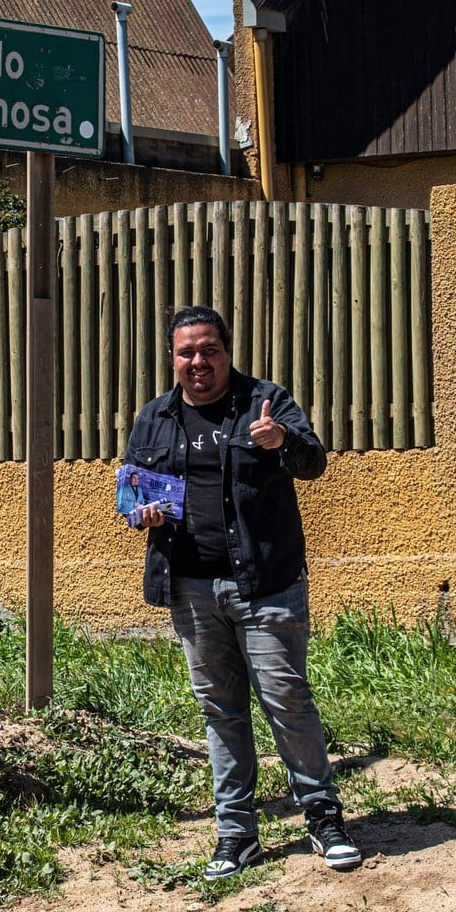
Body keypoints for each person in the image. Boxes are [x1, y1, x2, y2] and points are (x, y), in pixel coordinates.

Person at [124, 305, 361, 879]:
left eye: (210, 350)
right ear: (172, 358)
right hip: (191, 588)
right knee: (221, 712)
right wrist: (142, 514)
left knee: (287, 700)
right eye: (187, 352)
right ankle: (236, 833)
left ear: (227, 351)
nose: (198, 362)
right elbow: (131, 493)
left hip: (266, 584)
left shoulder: (266, 401)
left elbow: (315, 463)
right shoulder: (154, 419)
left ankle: (323, 816)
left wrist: (281, 440)